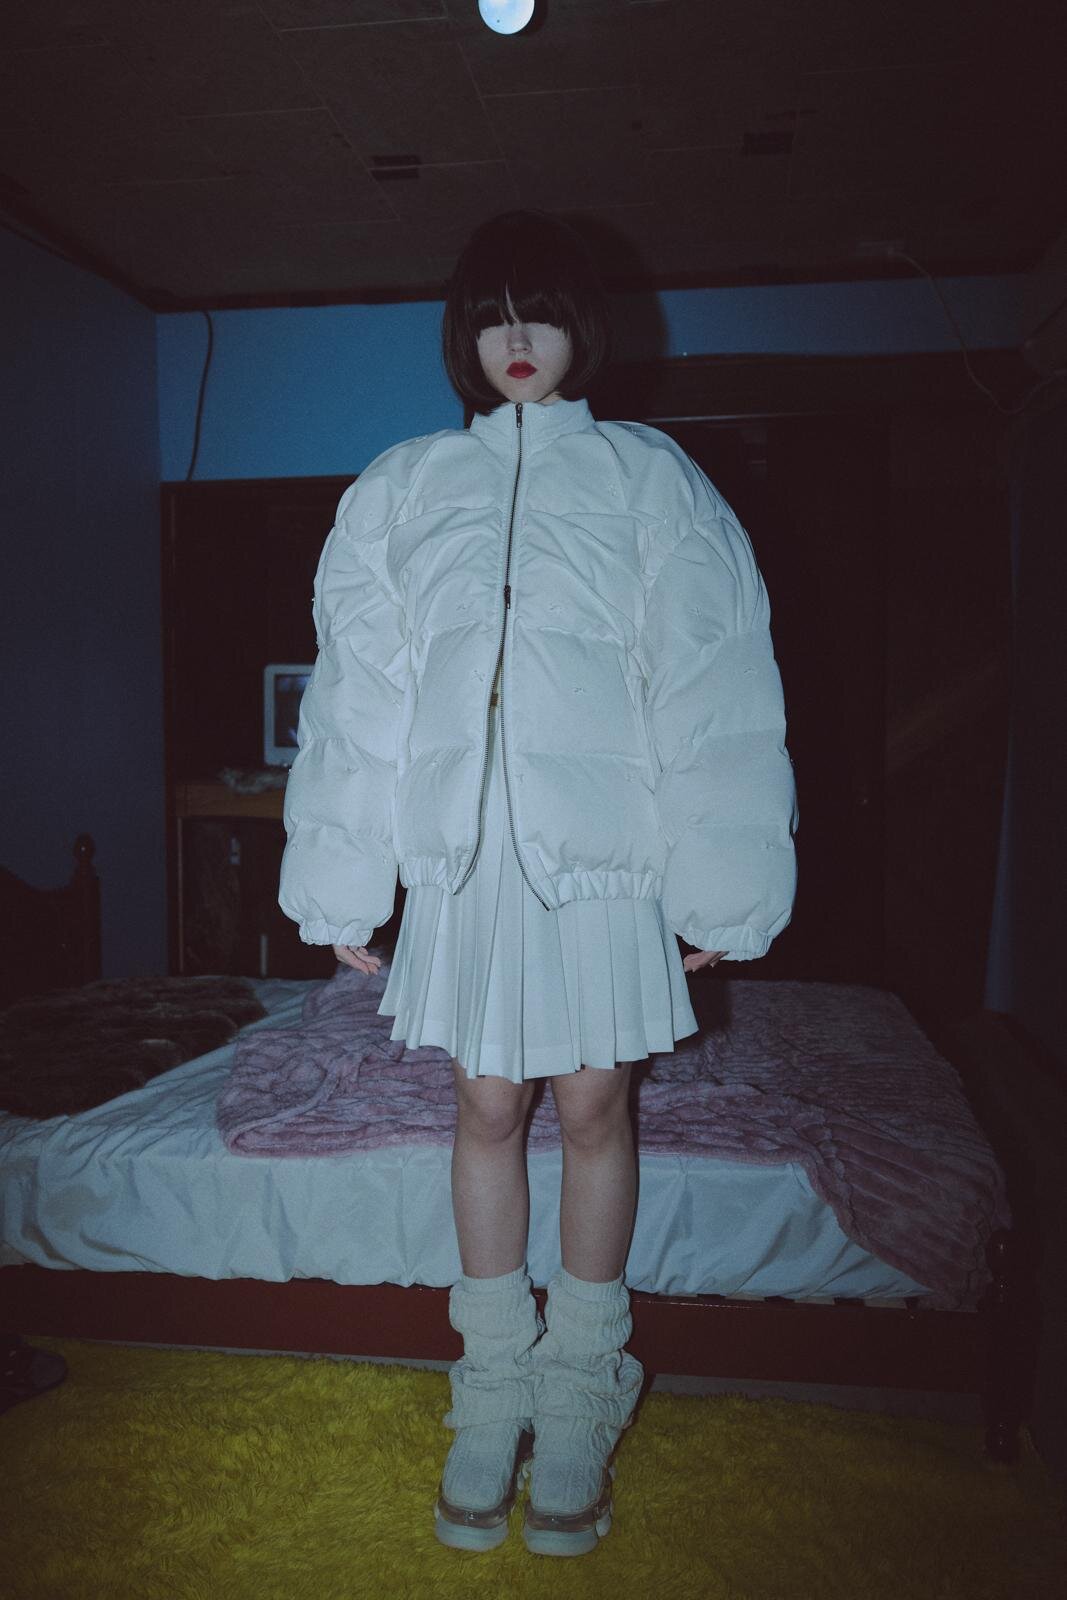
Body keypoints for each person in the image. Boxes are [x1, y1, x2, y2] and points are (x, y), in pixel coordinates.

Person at [279, 210, 797, 1558]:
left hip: (604, 857)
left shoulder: (650, 481)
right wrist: (342, 881)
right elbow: (360, 699)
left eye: (544, 313)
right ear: (466, 336)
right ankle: (491, 1381)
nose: (518, 339)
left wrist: (720, 886)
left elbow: (714, 683)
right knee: (488, 1103)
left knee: (594, 1101)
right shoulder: (401, 489)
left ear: (583, 331)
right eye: (495, 315)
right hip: (467, 862)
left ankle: (582, 1383)